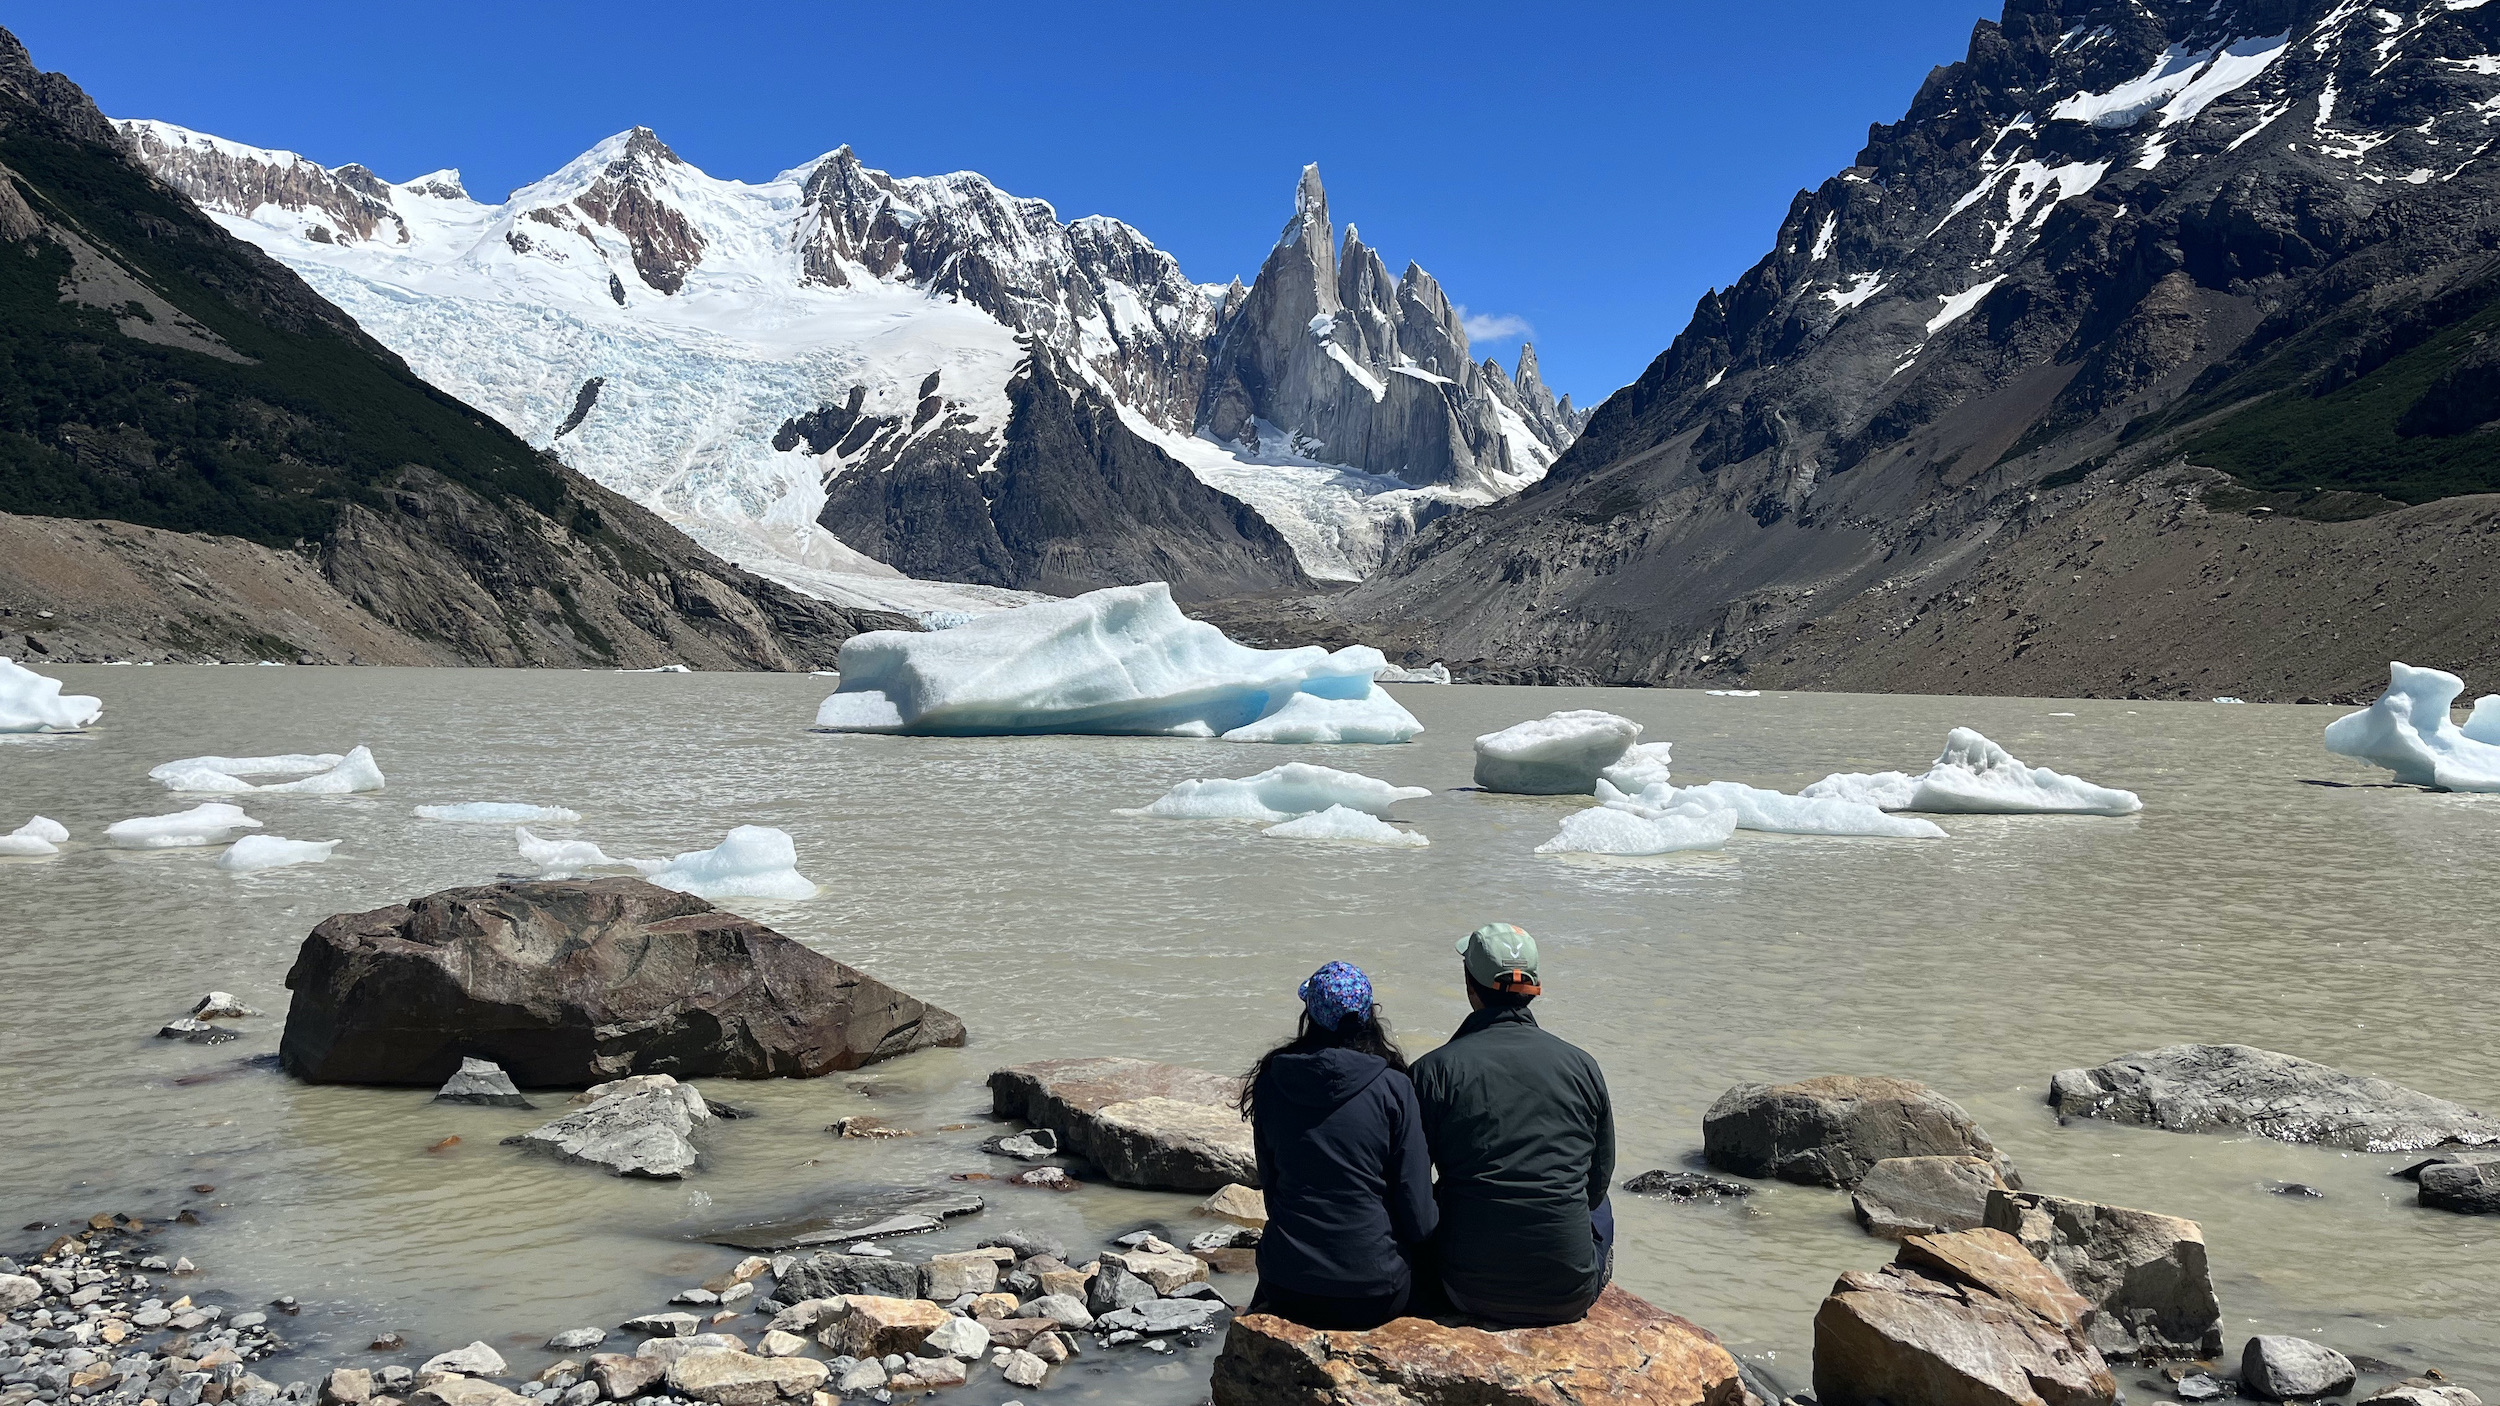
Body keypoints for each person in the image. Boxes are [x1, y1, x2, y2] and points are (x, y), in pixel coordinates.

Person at [1410, 923, 1616, 1326]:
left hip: (1464, 1288)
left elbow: (1410, 1185)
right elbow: (1596, 1185)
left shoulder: (1433, 1071)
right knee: (1602, 1207)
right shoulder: (1582, 1066)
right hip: (1569, 1294)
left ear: (1471, 984)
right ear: (1533, 989)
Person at [1240, 960, 1438, 1331]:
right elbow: (1420, 1219)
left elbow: (1273, 1193)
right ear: (1368, 1018)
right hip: (1374, 1294)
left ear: (1310, 1016)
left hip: (1286, 1284)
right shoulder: (1394, 1087)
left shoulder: (1273, 1080)